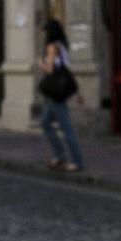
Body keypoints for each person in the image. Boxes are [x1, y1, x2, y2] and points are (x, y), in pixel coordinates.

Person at [37, 19, 84, 172]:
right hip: (57, 91)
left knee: (66, 128)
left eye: (45, 31)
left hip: (55, 92)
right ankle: (59, 155)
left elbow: (49, 70)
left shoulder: (52, 47)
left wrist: (40, 63)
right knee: (44, 122)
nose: (43, 34)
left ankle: (77, 161)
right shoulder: (63, 46)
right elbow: (65, 68)